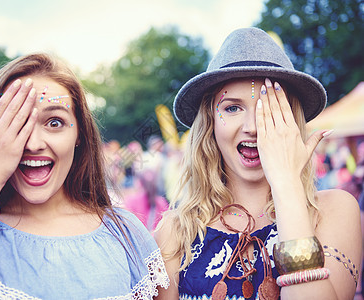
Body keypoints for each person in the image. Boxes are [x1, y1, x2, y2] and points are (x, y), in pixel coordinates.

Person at [0, 53, 169, 299]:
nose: (33, 143)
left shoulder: (127, 234)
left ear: (79, 133)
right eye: (16, 122)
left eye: (55, 122)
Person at [154, 27, 361, 300]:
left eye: (270, 108)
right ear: (210, 124)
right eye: (232, 108)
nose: (252, 127)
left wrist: (286, 184)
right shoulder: (175, 232)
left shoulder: (334, 211)